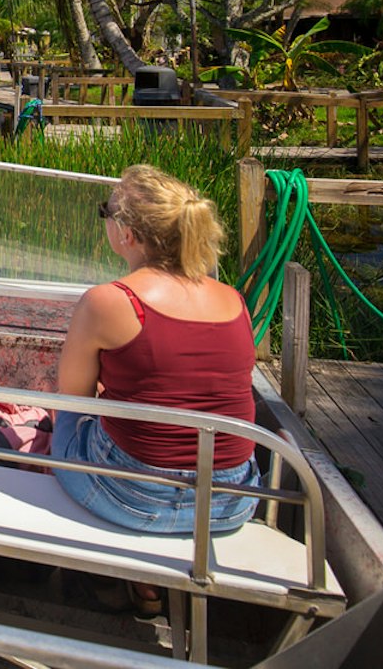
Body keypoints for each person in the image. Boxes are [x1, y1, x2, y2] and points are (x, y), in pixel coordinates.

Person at [53, 163, 262, 539]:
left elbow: (74, 398)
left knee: (65, 419)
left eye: (106, 211)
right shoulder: (234, 301)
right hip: (232, 498)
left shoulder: (107, 302)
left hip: (133, 497)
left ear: (126, 234)